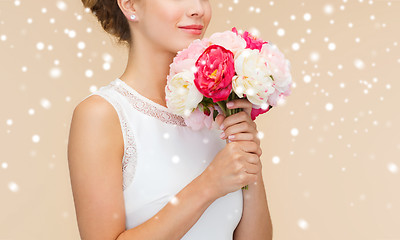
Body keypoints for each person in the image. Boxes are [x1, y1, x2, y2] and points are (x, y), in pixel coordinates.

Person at [67, 0, 273, 239]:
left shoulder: (220, 112)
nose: (198, 9)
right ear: (130, 4)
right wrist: (209, 185)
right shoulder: (102, 116)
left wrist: (248, 159)